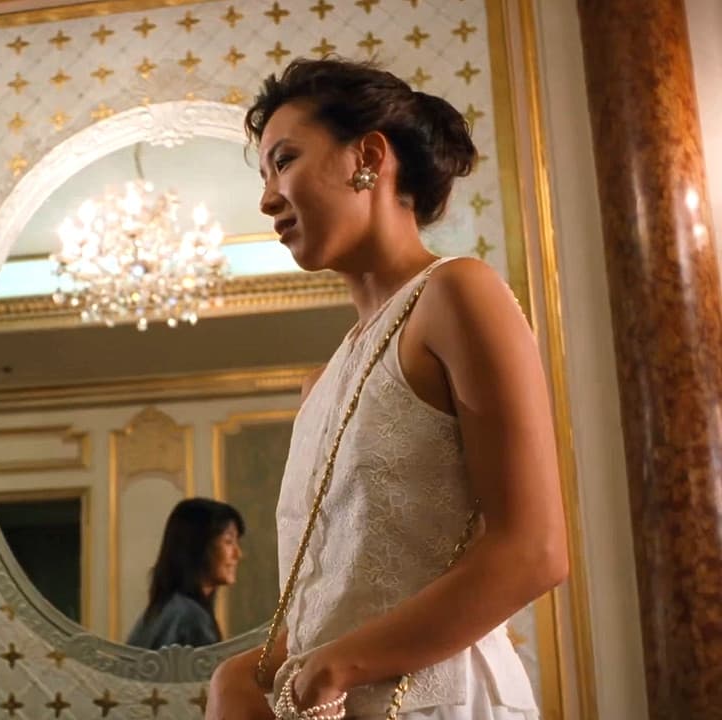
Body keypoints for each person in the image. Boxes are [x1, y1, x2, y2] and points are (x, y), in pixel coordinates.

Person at [206, 58, 568, 720]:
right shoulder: (321, 382)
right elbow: (341, 595)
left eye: (284, 161)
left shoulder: (457, 292)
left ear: (368, 158)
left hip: (444, 703)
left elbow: (533, 551)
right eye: (264, 176)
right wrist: (247, 672)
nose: (267, 199)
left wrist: (339, 665)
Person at [127, 498, 245, 650]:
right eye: (228, 541)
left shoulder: (162, 611)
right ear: (198, 545)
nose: (237, 554)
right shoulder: (190, 618)